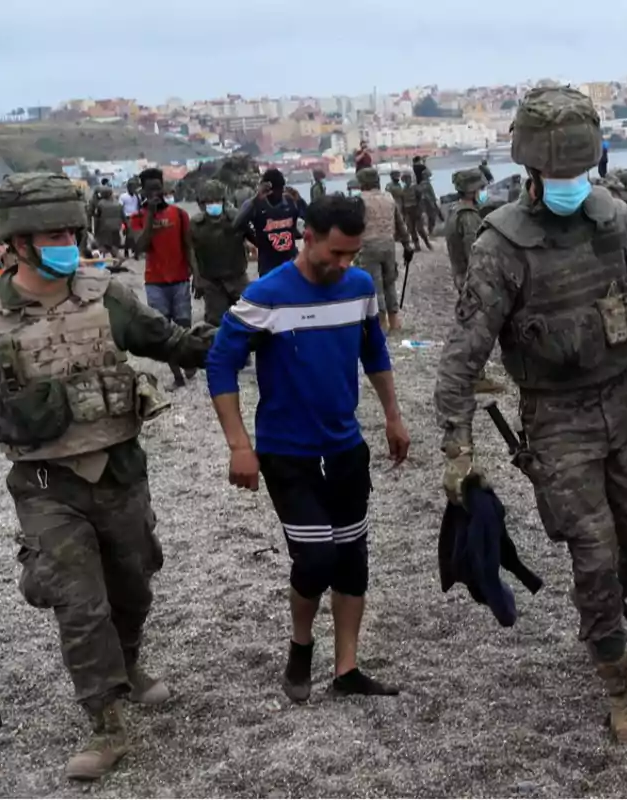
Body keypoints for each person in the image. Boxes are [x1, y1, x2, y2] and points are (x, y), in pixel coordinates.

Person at [0, 172, 213, 780]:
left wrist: (235, 336)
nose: (65, 242)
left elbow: (170, 342)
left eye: (69, 232)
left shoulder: (104, 295)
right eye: (51, 234)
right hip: (45, 485)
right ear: (19, 242)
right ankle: (105, 721)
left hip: (120, 469)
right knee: (80, 604)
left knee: (133, 584)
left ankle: (128, 663)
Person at [434, 86, 627, 745]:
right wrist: (458, 451)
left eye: (579, 171)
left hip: (622, 402)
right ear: (532, 170)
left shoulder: (613, 217)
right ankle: (620, 680)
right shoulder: (501, 245)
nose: (571, 184)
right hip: (555, 415)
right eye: (558, 174)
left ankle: (600, 610)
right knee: (593, 550)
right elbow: (462, 352)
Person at [207, 194, 410, 704]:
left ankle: (347, 669)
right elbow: (219, 364)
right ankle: (301, 645)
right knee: (316, 559)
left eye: (352, 255)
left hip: (345, 446)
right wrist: (239, 445)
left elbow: (374, 351)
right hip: (286, 452)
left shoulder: (360, 287)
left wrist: (392, 415)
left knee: (352, 560)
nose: (344, 265)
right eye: (335, 254)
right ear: (308, 238)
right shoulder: (267, 295)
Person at [130, 168, 198, 388]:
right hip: (155, 282)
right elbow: (140, 246)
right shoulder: (137, 217)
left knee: (184, 324)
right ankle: (177, 376)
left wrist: (196, 275)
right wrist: (150, 214)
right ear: (143, 191)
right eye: (150, 191)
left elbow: (188, 247)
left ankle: (188, 361)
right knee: (162, 331)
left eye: (158, 189)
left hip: (179, 279)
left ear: (163, 188)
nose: (155, 194)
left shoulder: (179, 214)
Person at [355, 167, 412, 332]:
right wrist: (407, 243)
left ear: (362, 183)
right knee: (389, 283)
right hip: (388, 244)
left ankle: (381, 323)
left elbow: (355, 225)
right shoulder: (389, 197)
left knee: (375, 285)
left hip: (368, 245)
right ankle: (395, 321)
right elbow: (400, 222)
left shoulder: (360, 201)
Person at [189, 180, 251, 327]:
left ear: (224, 201)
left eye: (217, 200)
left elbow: (253, 238)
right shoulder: (196, 225)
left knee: (247, 320)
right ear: (201, 204)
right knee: (216, 324)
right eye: (209, 201)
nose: (213, 204)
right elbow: (192, 251)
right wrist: (197, 278)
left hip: (237, 279)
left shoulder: (236, 218)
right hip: (212, 283)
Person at [234, 168, 304, 277]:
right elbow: (237, 224)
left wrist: (300, 201)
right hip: (268, 265)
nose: (279, 194)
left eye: (281, 189)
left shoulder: (290, 202)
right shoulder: (256, 204)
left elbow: (309, 218)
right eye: (276, 190)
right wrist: (255, 240)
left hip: (290, 260)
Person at [446, 168, 488, 291]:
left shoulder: (454, 209)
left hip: (460, 274)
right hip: (471, 279)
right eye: (481, 189)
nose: (484, 192)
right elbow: (474, 252)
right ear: (471, 191)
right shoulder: (469, 216)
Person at [399, 171, 430, 250]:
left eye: (408, 179)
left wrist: (422, 210)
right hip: (408, 211)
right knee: (411, 229)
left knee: (420, 229)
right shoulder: (403, 190)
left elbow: (420, 199)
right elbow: (402, 202)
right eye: (405, 179)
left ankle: (427, 243)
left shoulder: (416, 188)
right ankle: (417, 246)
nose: (406, 181)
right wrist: (403, 213)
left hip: (416, 210)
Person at [92, 187, 125, 260]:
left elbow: (96, 219)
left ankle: (96, 259)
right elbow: (123, 217)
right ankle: (118, 258)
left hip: (104, 229)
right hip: (116, 228)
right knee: (113, 246)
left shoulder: (100, 204)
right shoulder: (118, 204)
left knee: (103, 246)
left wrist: (95, 231)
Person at [119, 179, 140, 257]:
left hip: (136, 217)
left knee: (136, 235)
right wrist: (123, 219)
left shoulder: (137, 196)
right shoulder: (123, 196)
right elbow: (120, 208)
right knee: (129, 236)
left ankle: (135, 251)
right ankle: (126, 250)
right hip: (127, 217)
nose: (134, 189)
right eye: (132, 187)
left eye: (135, 187)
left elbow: (139, 206)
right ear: (128, 188)